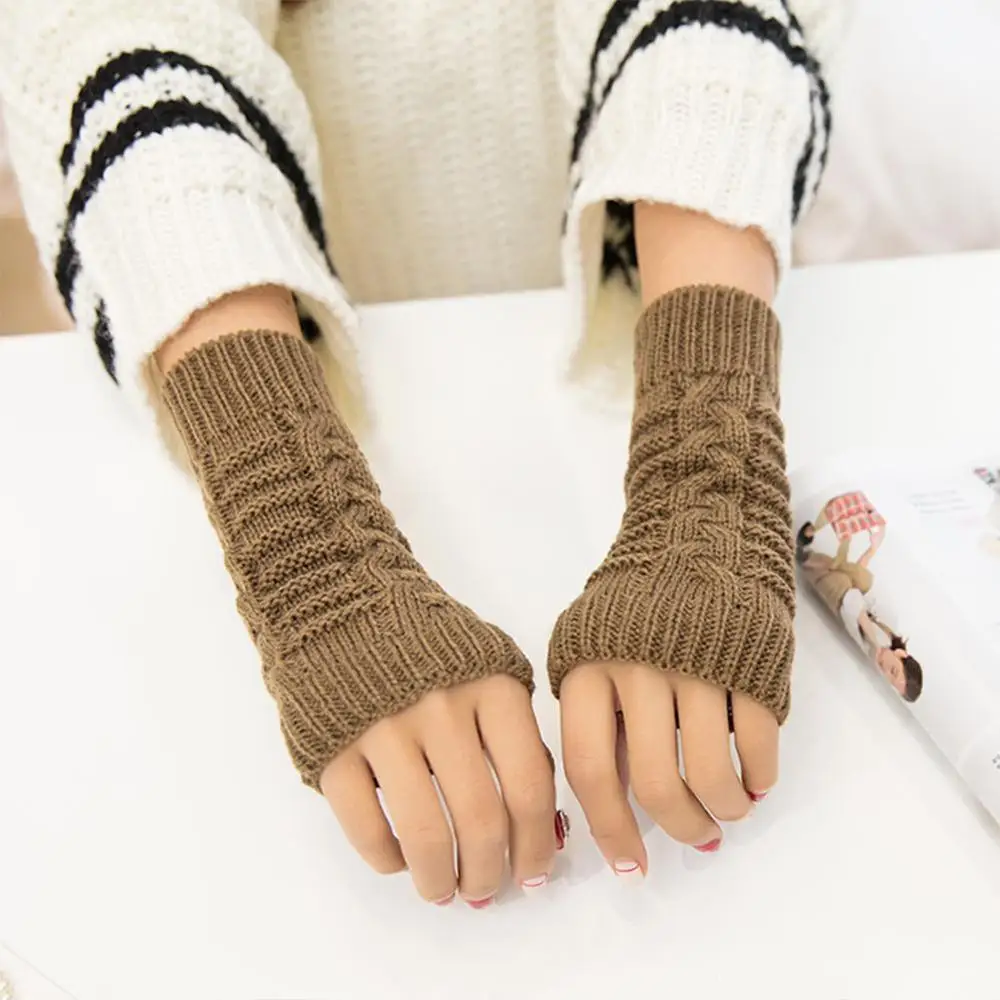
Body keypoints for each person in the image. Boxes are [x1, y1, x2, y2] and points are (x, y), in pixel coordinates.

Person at [0, 0, 845, 907]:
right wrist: (309, 544)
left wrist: (708, 464)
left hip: (654, 266)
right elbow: (112, 32)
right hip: (262, 321)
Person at [798, 515, 923, 702]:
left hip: (841, 597)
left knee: (840, 584)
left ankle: (804, 555)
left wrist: (874, 643)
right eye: (893, 671)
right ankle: (811, 549)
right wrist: (872, 549)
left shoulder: (873, 652)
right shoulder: (890, 623)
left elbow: (853, 604)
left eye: (890, 680)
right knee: (862, 581)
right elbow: (862, 585)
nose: (885, 672)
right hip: (851, 593)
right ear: (901, 654)